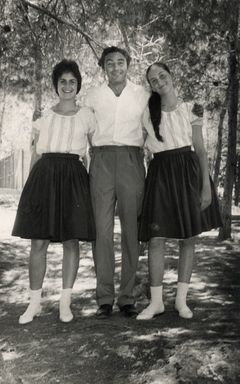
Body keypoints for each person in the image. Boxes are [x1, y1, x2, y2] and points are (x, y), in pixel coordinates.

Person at [12, 59, 96, 324]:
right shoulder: (43, 117)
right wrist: (28, 189)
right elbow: (37, 154)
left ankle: (64, 303)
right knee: (39, 242)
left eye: (72, 82)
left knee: (71, 241)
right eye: (63, 82)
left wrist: (91, 185)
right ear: (56, 86)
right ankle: (34, 303)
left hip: (73, 177)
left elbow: (95, 152)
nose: (67, 86)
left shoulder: (87, 116)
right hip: (44, 177)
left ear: (78, 85)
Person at [137, 62, 222, 320]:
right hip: (160, 174)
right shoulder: (146, 114)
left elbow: (200, 148)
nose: (159, 81)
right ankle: (156, 303)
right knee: (156, 239)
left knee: (188, 238)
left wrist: (206, 187)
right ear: (151, 86)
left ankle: (181, 301)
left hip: (188, 174)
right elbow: (140, 148)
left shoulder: (192, 107)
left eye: (162, 75)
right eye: (153, 80)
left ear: (171, 76)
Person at [85, 46, 149, 319]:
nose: (115, 67)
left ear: (128, 65)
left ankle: (126, 297)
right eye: (109, 63)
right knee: (101, 230)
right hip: (101, 160)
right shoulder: (93, 95)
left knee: (131, 231)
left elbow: (149, 128)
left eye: (120, 62)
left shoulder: (141, 95)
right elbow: (87, 130)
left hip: (131, 160)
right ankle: (104, 297)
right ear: (103, 67)